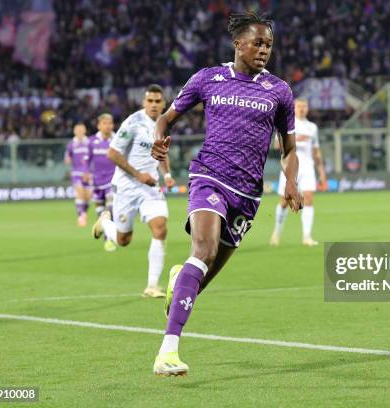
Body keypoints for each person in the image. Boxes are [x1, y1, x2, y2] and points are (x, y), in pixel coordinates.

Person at [150, 11, 302, 377]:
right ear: (239, 44)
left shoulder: (278, 91)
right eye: (257, 43)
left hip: (248, 194)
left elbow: (289, 148)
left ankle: (181, 278)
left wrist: (291, 181)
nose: (264, 50)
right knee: (204, 249)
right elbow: (165, 117)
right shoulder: (209, 78)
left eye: (268, 45)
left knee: (202, 274)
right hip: (209, 176)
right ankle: (167, 351)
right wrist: (159, 142)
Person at [91, 84, 176, 296]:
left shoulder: (165, 123)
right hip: (127, 186)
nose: (154, 105)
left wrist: (166, 175)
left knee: (160, 228)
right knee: (123, 240)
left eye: (158, 101)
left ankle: (152, 285)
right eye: (150, 101)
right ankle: (105, 223)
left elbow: (161, 151)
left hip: (150, 186)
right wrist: (138, 175)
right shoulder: (133, 123)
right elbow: (112, 153)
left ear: (164, 103)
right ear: (144, 102)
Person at [270, 98, 326, 246]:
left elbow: (316, 151)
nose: (302, 108)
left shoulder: (312, 127)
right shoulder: (287, 122)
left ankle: (307, 236)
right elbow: (277, 145)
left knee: (308, 198)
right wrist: (294, 140)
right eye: (299, 106)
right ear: (294, 108)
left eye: (304, 106)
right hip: (290, 166)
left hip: (307, 166)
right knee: (284, 202)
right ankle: (277, 231)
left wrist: (321, 172)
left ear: (307, 108)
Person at [88, 113, 117, 252]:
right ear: (99, 125)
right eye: (105, 123)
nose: (108, 126)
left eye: (110, 123)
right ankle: (103, 229)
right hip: (96, 181)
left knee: (110, 209)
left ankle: (108, 239)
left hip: (113, 180)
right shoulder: (91, 141)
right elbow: (86, 161)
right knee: (100, 210)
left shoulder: (118, 139)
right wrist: (85, 173)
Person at [64, 123, 91, 227]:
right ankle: (81, 215)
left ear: (84, 131)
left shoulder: (89, 142)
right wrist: (68, 159)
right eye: (77, 130)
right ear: (74, 131)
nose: (79, 131)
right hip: (76, 172)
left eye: (81, 130)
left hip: (88, 173)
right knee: (79, 192)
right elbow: (67, 157)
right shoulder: (71, 144)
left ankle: (83, 211)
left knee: (87, 196)